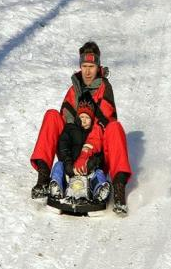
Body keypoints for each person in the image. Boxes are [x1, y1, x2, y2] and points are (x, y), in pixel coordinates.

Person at [30, 41, 132, 214]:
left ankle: (119, 192)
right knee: (52, 115)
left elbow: (102, 126)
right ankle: (43, 179)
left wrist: (85, 154)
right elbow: (65, 126)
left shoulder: (104, 88)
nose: (87, 71)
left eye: (91, 66)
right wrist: (69, 159)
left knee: (114, 127)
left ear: (98, 66)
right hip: (73, 151)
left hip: (96, 156)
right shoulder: (74, 89)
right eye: (84, 66)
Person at [48, 91, 111, 202]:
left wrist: (93, 162)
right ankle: (56, 187)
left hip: (88, 170)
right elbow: (63, 145)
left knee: (99, 173)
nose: (84, 120)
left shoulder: (94, 133)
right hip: (70, 169)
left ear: (92, 119)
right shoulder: (70, 129)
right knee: (58, 165)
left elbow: (101, 153)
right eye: (81, 117)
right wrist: (67, 162)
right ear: (77, 117)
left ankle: (100, 190)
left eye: (87, 117)